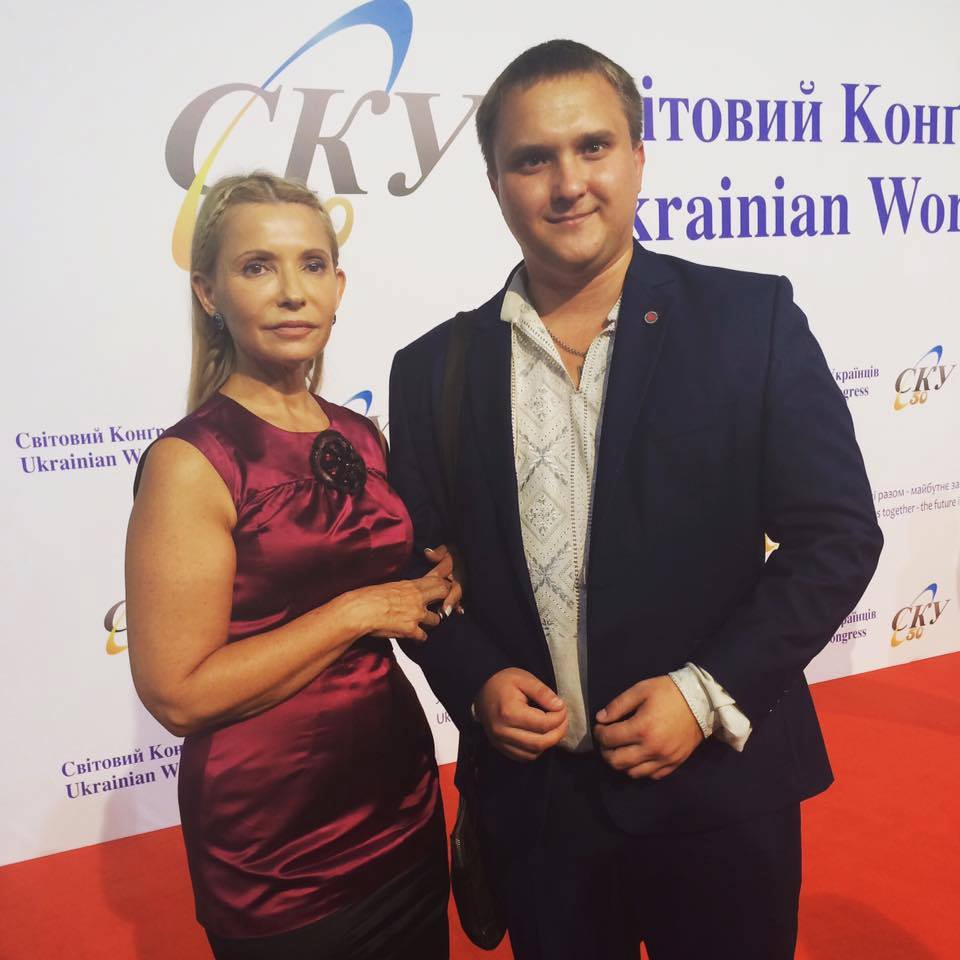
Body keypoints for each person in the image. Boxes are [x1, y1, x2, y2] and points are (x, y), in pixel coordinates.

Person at [388, 40, 883, 960]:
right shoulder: (431, 371)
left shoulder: (750, 321)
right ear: (494, 184)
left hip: (721, 795)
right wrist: (476, 680)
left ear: (639, 157)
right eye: (532, 159)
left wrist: (704, 694)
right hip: (540, 815)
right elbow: (416, 571)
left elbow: (837, 537)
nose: (568, 183)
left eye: (593, 146)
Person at [125, 172, 459, 960]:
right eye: (257, 267)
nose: (290, 292)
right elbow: (178, 694)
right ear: (208, 293)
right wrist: (357, 612)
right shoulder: (193, 461)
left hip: (403, 809)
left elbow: (402, 588)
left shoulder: (360, 435)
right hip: (277, 852)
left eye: (312, 265)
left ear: (339, 286)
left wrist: (448, 573)